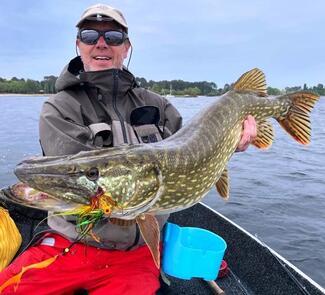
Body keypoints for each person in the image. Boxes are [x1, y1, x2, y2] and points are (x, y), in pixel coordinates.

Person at [0, 3, 256, 294]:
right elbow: (84, 190)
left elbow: (193, 152)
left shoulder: (160, 105)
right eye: (89, 35)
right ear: (78, 45)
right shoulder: (59, 107)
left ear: (126, 47)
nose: (101, 43)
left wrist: (228, 145)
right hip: (69, 243)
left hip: (135, 254)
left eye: (113, 36)